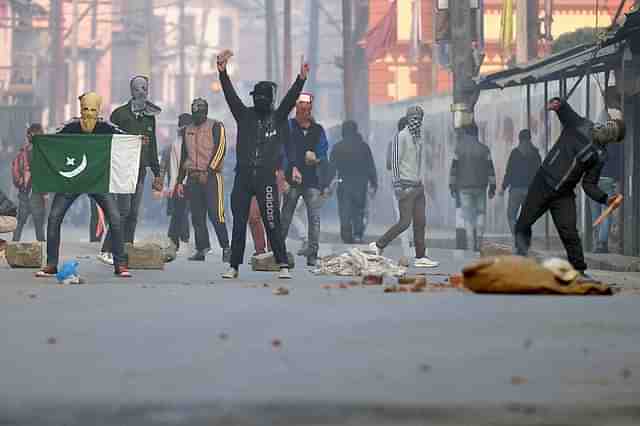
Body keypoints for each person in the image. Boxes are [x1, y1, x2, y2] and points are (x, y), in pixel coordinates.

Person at [215, 49, 308, 279]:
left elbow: (289, 100)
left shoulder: (277, 117)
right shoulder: (244, 115)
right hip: (244, 176)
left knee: (271, 219)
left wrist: (301, 79)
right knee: (239, 221)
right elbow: (230, 96)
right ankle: (234, 266)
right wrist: (222, 73)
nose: (261, 100)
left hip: (266, 177)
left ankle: (282, 263)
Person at [515, 98, 625, 277]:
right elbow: (568, 115)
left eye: (612, 132)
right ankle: (519, 259)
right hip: (543, 182)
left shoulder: (600, 156)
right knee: (523, 224)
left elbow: (589, 184)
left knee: (570, 233)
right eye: (609, 125)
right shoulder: (582, 125)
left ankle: (579, 271)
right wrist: (559, 105)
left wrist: (606, 198)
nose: (606, 130)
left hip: (564, 194)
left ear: (613, 140)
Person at [36, 92, 131, 278]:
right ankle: (51, 264)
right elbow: (53, 141)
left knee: (115, 218)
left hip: (97, 181)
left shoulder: (106, 127)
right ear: (80, 110)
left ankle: (120, 264)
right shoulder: (70, 127)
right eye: (85, 109)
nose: (88, 113)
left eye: (92, 110)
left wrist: (137, 140)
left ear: (99, 111)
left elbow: (124, 139)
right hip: (71, 181)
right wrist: (39, 140)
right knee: (54, 218)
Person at [98, 75, 163, 265]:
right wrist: (133, 140)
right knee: (123, 211)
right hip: (123, 169)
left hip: (141, 170)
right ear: (131, 91)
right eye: (137, 88)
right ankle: (107, 249)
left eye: (144, 88)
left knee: (134, 213)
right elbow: (110, 139)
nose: (141, 91)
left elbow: (153, 146)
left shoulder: (150, 117)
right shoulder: (119, 114)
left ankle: (127, 249)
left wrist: (157, 172)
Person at [370, 106, 439, 267]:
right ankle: (379, 244)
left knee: (420, 222)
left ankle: (421, 256)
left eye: (420, 118)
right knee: (404, 222)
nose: (417, 121)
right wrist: (397, 186)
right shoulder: (400, 137)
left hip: (418, 186)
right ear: (408, 119)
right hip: (406, 187)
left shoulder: (418, 138)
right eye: (414, 118)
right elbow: (394, 163)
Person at [175, 98, 231, 262]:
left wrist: (210, 171)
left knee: (216, 214)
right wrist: (179, 180)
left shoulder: (216, 126)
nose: (197, 116)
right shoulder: (188, 130)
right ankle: (202, 248)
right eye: (195, 113)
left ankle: (226, 247)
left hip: (212, 178)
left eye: (200, 113)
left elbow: (221, 149)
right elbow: (184, 156)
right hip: (192, 177)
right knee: (197, 216)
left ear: (206, 112)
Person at [280, 92, 331, 266]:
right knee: (285, 217)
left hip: (312, 181)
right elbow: (282, 152)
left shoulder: (318, 130)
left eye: (306, 110)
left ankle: (312, 253)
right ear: (296, 110)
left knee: (314, 219)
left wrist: (316, 159)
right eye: (301, 110)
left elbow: (323, 153)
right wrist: (285, 174)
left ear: (310, 111)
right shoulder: (288, 127)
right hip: (292, 180)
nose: (303, 113)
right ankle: (278, 252)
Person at [449, 122, 496, 251]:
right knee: (481, 212)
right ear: (477, 133)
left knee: (468, 215)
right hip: (481, 187)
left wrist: (452, 186)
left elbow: (454, 169)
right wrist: (493, 186)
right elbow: (490, 169)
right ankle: (479, 242)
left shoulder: (459, 149)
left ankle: (471, 244)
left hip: (463, 188)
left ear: (466, 133)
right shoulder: (484, 149)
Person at [330, 121, 377, 244]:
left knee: (344, 211)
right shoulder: (364, 147)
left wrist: (326, 185)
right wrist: (373, 183)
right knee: (358, 211)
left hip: (344, 183)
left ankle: (346, 236)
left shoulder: (337, 147)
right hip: (360, 185)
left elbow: (331, 168)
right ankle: (357, 234)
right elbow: (370, 166)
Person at [589, 114, 623, 254]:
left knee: (596, 213)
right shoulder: (616, 144)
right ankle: (602, 243)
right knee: (606, 213)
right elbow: (619, 163)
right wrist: (618, 179)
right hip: (608, 181)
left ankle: (597, 242)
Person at [501, 129, 541, 235]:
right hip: (530, 190)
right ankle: (523, 239)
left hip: (515, 190)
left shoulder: (515, 153)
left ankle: (516, 236)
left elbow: (509, 172)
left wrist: (503, 187)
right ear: (529, 139)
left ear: (519, 139)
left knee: (511, 216)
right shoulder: (535, 154)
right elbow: (539, 173)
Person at [160, 113, 191, 251]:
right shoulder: (171, 148)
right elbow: (162, 168)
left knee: (181, 213)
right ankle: (178, 240)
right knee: (180, 213)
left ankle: (177, 240)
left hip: (186, 185)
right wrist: (160, 184)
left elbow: (162, 169)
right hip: (177, 186)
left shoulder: (190, 147)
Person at [11, 124, 47, 242]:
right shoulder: (25, 154)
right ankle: (42, 253)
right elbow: (16, 171)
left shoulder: (27, 153)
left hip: (34, 193)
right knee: (25, 225)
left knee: (28, 226)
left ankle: (15, 247)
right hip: (29, 193)